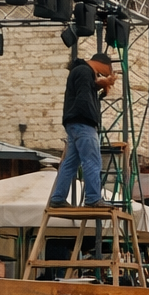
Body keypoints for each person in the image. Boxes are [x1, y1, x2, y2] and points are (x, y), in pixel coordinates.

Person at [48, 53, 115, 208]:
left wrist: (99, 86)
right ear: (103, 64)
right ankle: (93, 198)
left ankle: (58, 198)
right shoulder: (85, 72)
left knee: (71, 162)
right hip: (83, 122)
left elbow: (83, 90)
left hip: (74, 123)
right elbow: (84, 97)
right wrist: (92, 119)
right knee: (92, 160)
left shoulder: (79, 71)